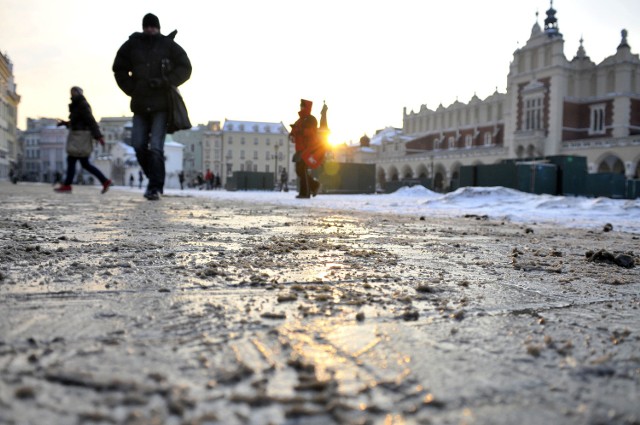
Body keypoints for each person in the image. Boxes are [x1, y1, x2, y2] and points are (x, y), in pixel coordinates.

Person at [113, 13, 192, 201]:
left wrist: (166, 81)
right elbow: (119, 68)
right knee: (139, 145)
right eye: (147, 26)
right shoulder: (132, 45)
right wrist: (132, 88)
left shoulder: (167, 45)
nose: (150, 29)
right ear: (143, 27)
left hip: (162, 105)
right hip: (140, 103)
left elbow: (185, 67)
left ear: (158, 27)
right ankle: (155, 178)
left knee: (156, 147)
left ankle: (154, 187)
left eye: (153, 26)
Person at [54, 87, 112, 194]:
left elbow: (91, 120)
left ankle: (67, 185)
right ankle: (104, 181)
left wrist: (98, 136)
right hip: (79, 136)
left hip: (80, 137)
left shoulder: (82, 104)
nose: (72, 94)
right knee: (84, 163)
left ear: (78, 93)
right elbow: (79, 121)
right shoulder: (78, 105)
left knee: (72, 159)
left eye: (73, 92)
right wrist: (65, 123)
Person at [290, 99, 320, 198]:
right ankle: (314, 185)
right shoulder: (299, 120)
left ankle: (305, 193)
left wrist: (300, 131)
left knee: (302, 170)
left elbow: (312, 132)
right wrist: (292, 134)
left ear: (307, 107)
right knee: (299, 170)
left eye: (303, 106)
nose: (301, 108)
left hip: (308, 148)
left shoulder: (311, 119)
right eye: (301, 106)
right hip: (300, 148)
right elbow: (294, 132)